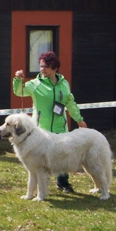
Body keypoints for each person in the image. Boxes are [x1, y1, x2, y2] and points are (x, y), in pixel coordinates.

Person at [12, 51, 87, 194]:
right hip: (41, 129)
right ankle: (41, 186)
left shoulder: (64, 84)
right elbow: (19, 92)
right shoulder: (35, 84)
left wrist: (79, 119)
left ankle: (63, 183)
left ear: (54, 68)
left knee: (63, 155)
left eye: (45, 66)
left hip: (60, 127)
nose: (42, 69)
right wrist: (17, 79)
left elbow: (70, 103)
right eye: (41, 66)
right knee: (40, 159)